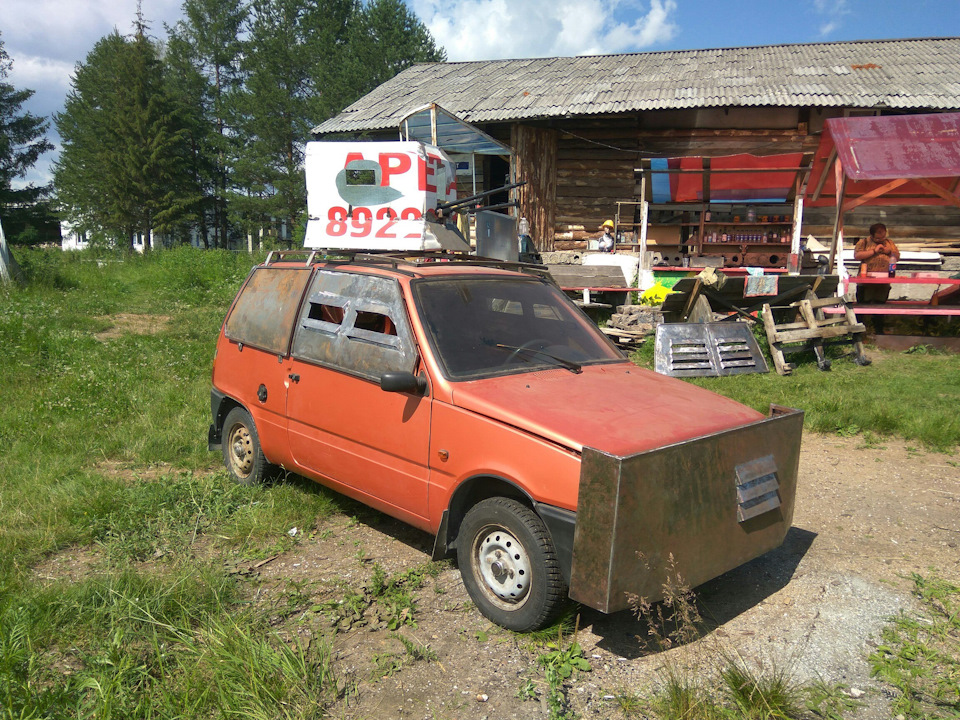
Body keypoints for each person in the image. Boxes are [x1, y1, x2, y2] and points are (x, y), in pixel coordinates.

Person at [853, 223, 900, 334]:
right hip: (866, 280)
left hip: (884, 280)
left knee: (880, 306)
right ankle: (859, 331)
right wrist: (874, 251)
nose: (881, 240)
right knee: (862, 306)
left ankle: (878, 331)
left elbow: (897, 257)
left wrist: (889, 252)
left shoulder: (889, 243)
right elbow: (857, 256)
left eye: (883, 237)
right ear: (872, 235)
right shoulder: (863, 242)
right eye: (878, 238)